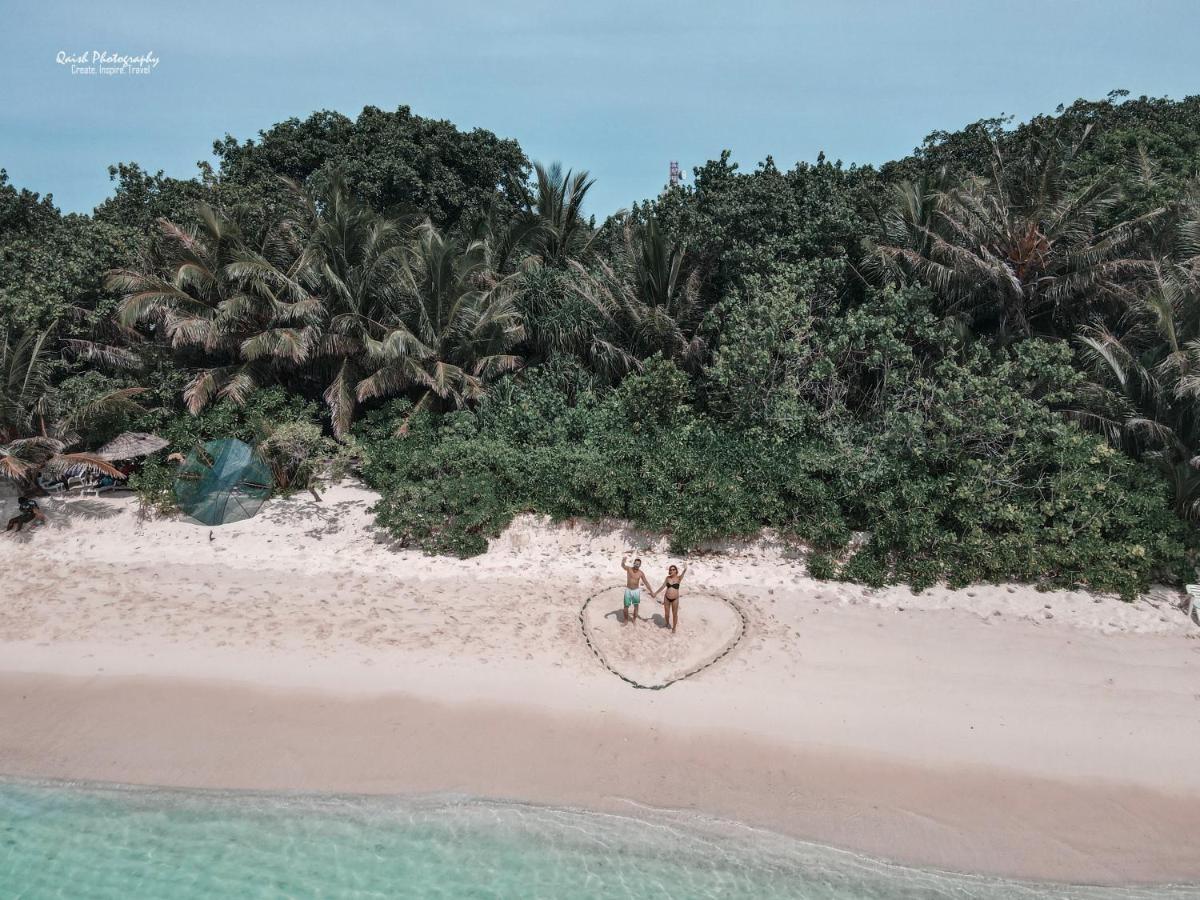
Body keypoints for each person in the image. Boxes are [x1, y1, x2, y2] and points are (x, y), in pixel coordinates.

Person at [654, 562, 689, 633]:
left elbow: (683, 573)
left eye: (673, 569)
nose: (672, 571)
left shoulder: (679, 578)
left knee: (674, 614)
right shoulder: (667, 578)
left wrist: (685, 568)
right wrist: (656, 593)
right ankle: (666, 623)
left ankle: (674, 627)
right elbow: (663, 586)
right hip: (666, 598)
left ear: (676, 571)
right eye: (670, 570)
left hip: (675, 599)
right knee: (666, 613)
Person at [620, 553, 654, 623]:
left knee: (636, 607)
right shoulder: (629, 569)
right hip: (628, 590)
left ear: (639, 565)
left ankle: (634, 619)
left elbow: (646, 583)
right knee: (626, 607)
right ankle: (626, 620)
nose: (636, 565)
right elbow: (623, 566)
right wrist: (623, 561)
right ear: (634, 563)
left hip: (635, 591)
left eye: (638, 564)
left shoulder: (641, 573)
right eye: (635, 563)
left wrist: (651, 591)